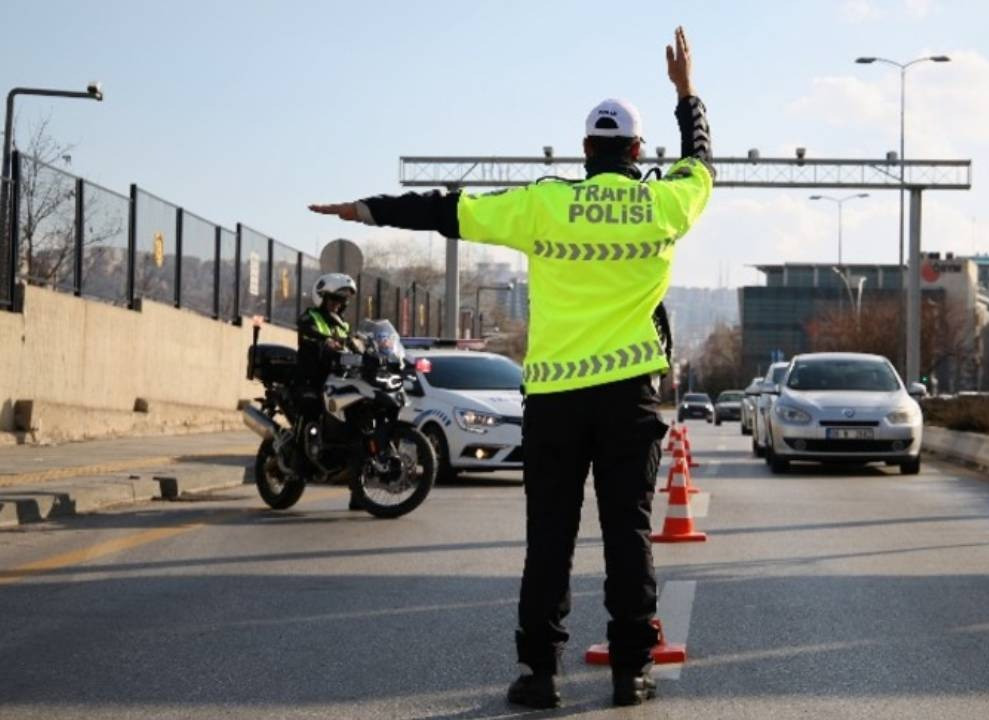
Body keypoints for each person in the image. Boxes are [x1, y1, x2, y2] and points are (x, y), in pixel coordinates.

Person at [309, 26, 711, 707]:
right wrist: (687, 93)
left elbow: (446, 211)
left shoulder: (543, 202)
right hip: (628, 400)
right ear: (639, 153)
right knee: (629, 533)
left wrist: (365, 209)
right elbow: (702, 162)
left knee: (549, 539)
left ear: (586, 151)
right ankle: (631, 670)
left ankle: (539, 675)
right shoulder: (664, 202)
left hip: (555, 399)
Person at [295, 273, 362, 510]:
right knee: (311, 411)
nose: (337, 304)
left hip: (338, 381)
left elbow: (353, 344)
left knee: (355, 430)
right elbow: (307, 329)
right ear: (321, 297)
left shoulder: (342, 324)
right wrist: (324, 339)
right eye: (333, 299)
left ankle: (358, 493)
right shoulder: (310, 317)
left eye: (340, 301)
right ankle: (300, 460)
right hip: (312, 379)